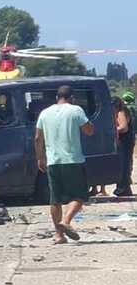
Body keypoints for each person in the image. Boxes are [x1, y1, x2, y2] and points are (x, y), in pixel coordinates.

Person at [34, 85, 96, 244]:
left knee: (55, 199)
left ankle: (58, 235)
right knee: (80, 195)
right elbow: (89, 131)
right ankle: (66, 221)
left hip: (53, 161)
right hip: (73, 160)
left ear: (57, 97)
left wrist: (40, 158)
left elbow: (37, 138)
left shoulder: (44, 113)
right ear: (72, 97)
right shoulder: (75, 110)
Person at [114, 94, 134, 196]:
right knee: (124, 164)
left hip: (124, 141)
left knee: (123, 164)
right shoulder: (124, 110)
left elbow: (123, 127)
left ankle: (122, 188)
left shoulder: (121, 112)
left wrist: (112, 131)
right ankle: (124, 188)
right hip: (127, 140)